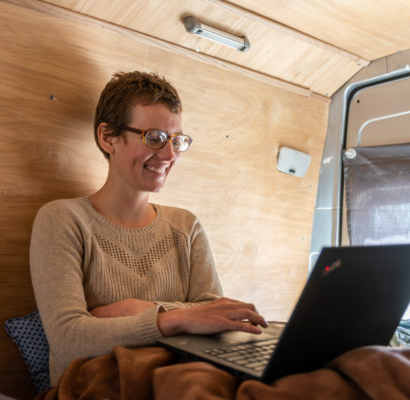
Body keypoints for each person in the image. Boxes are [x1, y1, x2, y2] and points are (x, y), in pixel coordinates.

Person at [30, 71, 267, 386]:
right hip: (98, 387)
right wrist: (175, 318)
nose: (169, 155)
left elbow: (213, 317)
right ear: (108, 137)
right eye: (154, 138)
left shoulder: (186, 226)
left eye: (176, 141)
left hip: (179, 378)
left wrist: (135, 309)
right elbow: (70, 340)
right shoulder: (62, 219)